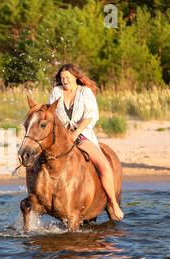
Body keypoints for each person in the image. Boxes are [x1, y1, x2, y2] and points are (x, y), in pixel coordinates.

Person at [48, 63, 124, 221]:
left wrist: (75, 133)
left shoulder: (85, 92)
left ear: (75, 77)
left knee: (103, 165)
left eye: (67, 78)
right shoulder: (56, 91)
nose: (64, 81)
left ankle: (112, 202)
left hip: (81, 135)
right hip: (61, 136)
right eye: (62, 78)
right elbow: (51, 114)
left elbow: (90, 116)